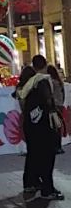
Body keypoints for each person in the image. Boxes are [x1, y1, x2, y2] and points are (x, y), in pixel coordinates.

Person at [15, 57, 63, 200]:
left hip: (31, 124)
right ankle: (47, 189)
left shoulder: (27, 85)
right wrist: (53, 112)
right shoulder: (42, 81)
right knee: (47, 157)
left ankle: (32, 183)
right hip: (43, 126)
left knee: (34, 154)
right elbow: (48, 101)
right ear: (46, 65)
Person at [47, 65, 66, 153]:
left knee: (53, 127)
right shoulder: (59, 81)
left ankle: (56, 146)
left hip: (54, 106)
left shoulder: (51, 82)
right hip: (60, 105)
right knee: (58, 126)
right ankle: (58, 146)